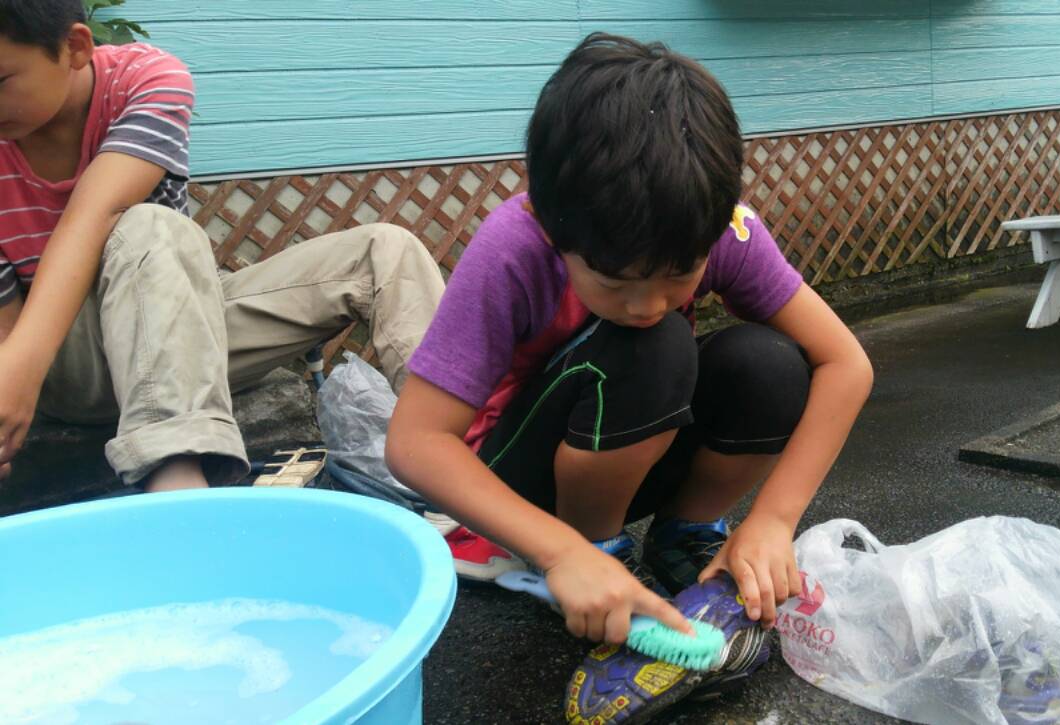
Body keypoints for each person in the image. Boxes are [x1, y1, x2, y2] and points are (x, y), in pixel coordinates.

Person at [389, 28, 872, 683]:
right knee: (654, 345)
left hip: (622, 441)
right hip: (517, 480)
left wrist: (773, 520)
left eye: (680, 275)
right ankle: (593, 553)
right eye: (613, 282)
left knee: (771, 364)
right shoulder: (515, 246)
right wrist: (561, 551)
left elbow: (846, 364)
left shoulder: (720, 225)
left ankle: (686, 536)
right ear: (558, 233)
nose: (647, 301)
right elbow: (416, 442)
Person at [0, 1, 447, 494]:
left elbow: (96, 211)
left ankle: (452, 455)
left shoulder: (145, 79)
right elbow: (9, 326)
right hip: (65, 365)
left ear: (76, 47)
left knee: (384, 249)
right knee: (155, 225)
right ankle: (177, 480)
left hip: (172, 331)